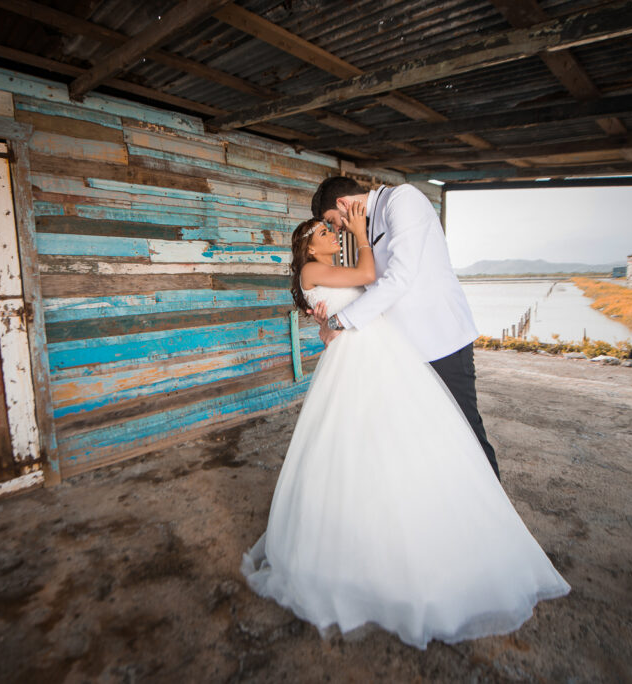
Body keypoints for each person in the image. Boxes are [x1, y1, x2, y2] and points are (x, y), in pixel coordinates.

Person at [240, 207, 570, 650]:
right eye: (324, 231)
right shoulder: (316, 268)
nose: (331, 233)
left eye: (331, 227)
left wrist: (328, 324)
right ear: (309, 247)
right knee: (364, 442)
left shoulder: (325, 272)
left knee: (389, 440)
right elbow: (370, 272)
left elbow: (336, 324)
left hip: (373, 353)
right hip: (360, 363)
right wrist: (358, 230)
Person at [309, 176, 499, 479]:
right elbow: (371, 288)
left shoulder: (402, 200)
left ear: (343, 204)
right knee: (431, 434)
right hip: (407, 351)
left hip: (442, 340)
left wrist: (339, 323)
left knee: (467, 429)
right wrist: (330, 314)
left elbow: (399, 278)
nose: (337, 229)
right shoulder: (365, 226)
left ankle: (494, 510)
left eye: (333, 221)